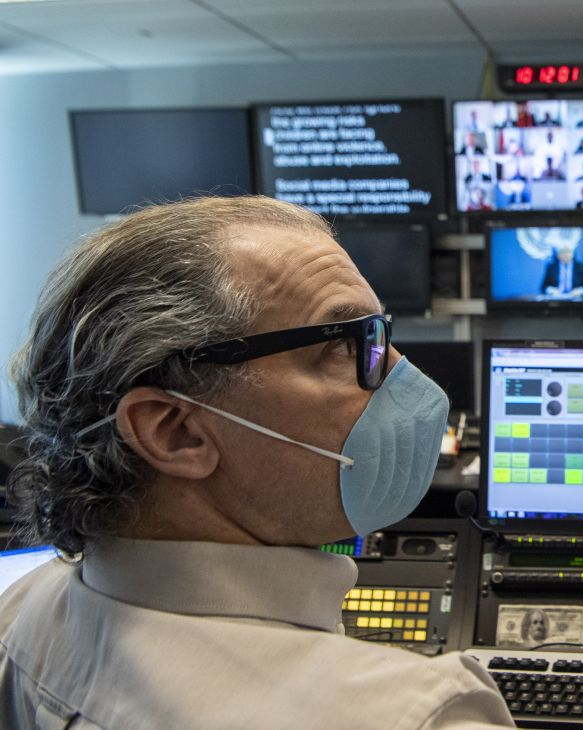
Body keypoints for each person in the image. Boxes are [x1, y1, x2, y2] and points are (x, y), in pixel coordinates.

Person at [0, 196, 513, 728]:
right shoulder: (418, 714)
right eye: (342, 344)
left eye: (380, 334)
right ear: (175, 432)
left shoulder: (23, 616)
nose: (403, 375)